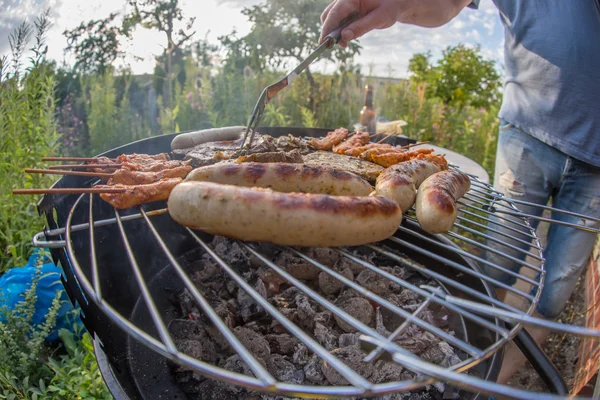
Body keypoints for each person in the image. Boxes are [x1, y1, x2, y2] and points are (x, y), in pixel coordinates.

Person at [320, 0, 600, 385]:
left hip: (597, 163)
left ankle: (485, 383)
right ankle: (466, 359)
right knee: (492, 273)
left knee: (553, 295)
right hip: (526, 136)